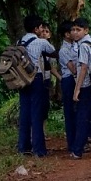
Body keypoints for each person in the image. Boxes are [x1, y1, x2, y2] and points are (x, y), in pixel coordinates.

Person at [17, 15, 56, 157]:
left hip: (22, 80)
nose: (42, 30)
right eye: (41, 27)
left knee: (25, 112)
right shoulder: (41, 42)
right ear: (36, 28)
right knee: (37, 113)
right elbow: (52, 51)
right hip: (37, 78)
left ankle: (23, 147)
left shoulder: (19, 41)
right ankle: (39, 149)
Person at [68, 18, 91, 159]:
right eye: (73, 30)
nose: (75, 32)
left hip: (85, 85)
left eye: (78, 30)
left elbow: (83, 68)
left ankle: (77, 149)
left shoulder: (84, 46)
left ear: (86, 30)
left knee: (82, 117)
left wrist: (77, 89)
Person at [58, 20, 78, 153]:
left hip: (75, 80)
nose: (75, 32)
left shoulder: (76, 45)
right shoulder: (64, 50)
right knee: (70, 112)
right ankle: (72, 144)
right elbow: (73, 69)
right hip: (69, 80)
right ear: (66, 34)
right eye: (73, 30)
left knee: (77, 111)